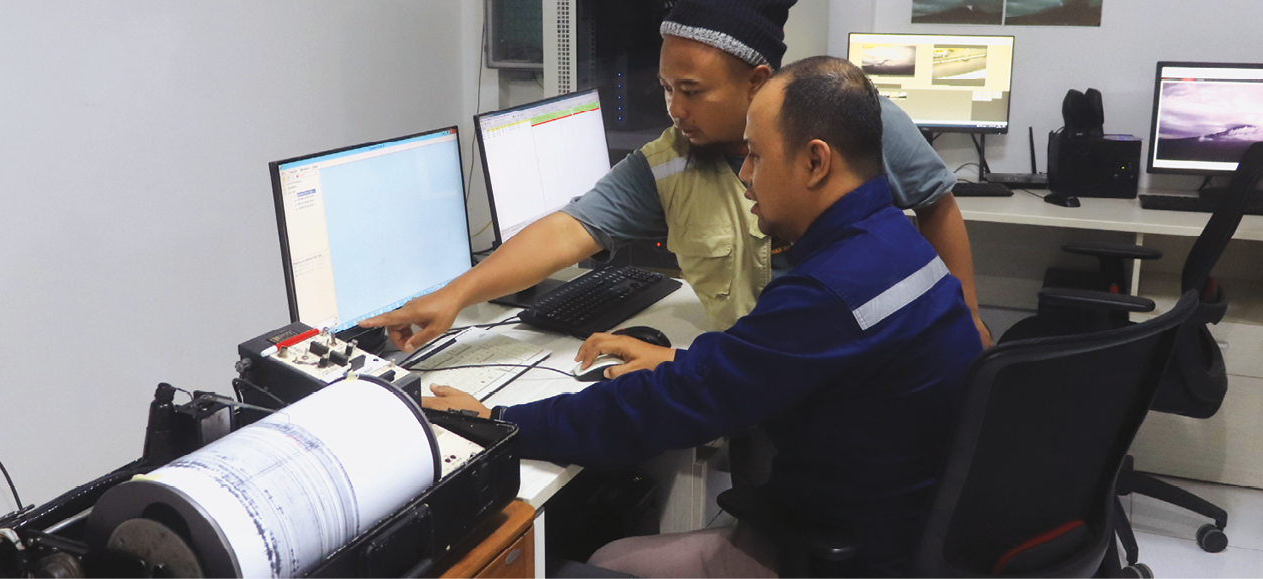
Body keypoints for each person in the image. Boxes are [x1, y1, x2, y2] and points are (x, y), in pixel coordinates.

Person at [421, 55, 984, 579]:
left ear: (816, 161)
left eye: (757, 156)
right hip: (906, 524)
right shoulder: (894, 245)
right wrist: (685, 362)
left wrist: (499, 424)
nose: (744, 176)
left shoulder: (829, 291)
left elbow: (666, 407)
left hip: (853, 554)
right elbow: (780, 359)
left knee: (597, 563)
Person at [360, 0, 993, 357]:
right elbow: (570, 228)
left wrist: (965, 307)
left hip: (839, 376)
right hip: (760, 373)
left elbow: (937, 204)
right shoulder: (669, 160)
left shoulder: (855, 121)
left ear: (756, 81)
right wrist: (457, 294)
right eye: (665, 87)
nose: (673, 107)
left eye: (691, 90)